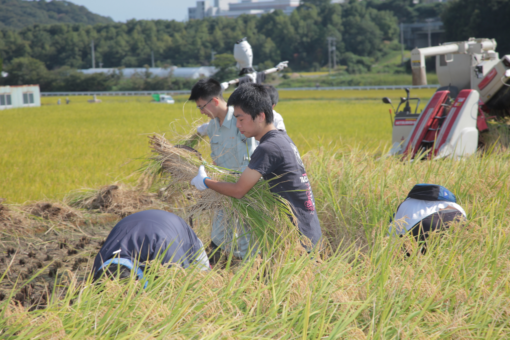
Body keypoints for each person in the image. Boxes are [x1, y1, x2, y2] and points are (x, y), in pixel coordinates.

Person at [191, 83, 322, 249]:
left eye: (241, 119)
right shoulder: (281, 139)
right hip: (305, 230)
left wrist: (206, 181)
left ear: (260, 116)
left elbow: (239, 190)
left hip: (299, 238)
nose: (238, 125)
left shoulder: (268, 148)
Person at [189, 78, 257, 260]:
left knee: (246, 235)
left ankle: (252, 270)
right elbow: (216, 159)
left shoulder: (240, 120)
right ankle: (230, 266)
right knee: (220, 235)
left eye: (202, 107)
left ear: (215, 101)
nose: (201, 112)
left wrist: (239, 188)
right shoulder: (212, 126)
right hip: (221, 188)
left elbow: (249, 160)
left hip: (242, 188)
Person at [93, 210, 209, 286]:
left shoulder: (168, 252)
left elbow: (179, 286)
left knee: (201, 285)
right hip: (136, 224)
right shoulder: (100, 265)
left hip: (179, 233)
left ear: (136, 280)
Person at [389, 184, 467, 252]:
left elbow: (391, 238)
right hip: (458, 216)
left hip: (425, 224)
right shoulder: (457, 206)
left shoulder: (406, 204)